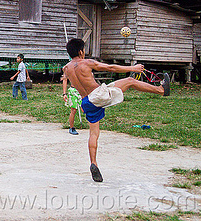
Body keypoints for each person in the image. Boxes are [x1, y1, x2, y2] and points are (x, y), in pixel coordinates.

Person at [63, 38, 170, 182]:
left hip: (86, 101)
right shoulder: (87, 63)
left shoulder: (66, 68)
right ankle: (161, 90)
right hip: (98, 95)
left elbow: (73, 82)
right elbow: (111, 68)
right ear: (81, 51)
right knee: (131, 81)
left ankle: (93, 163)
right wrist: (133, 68)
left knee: (93, 134)